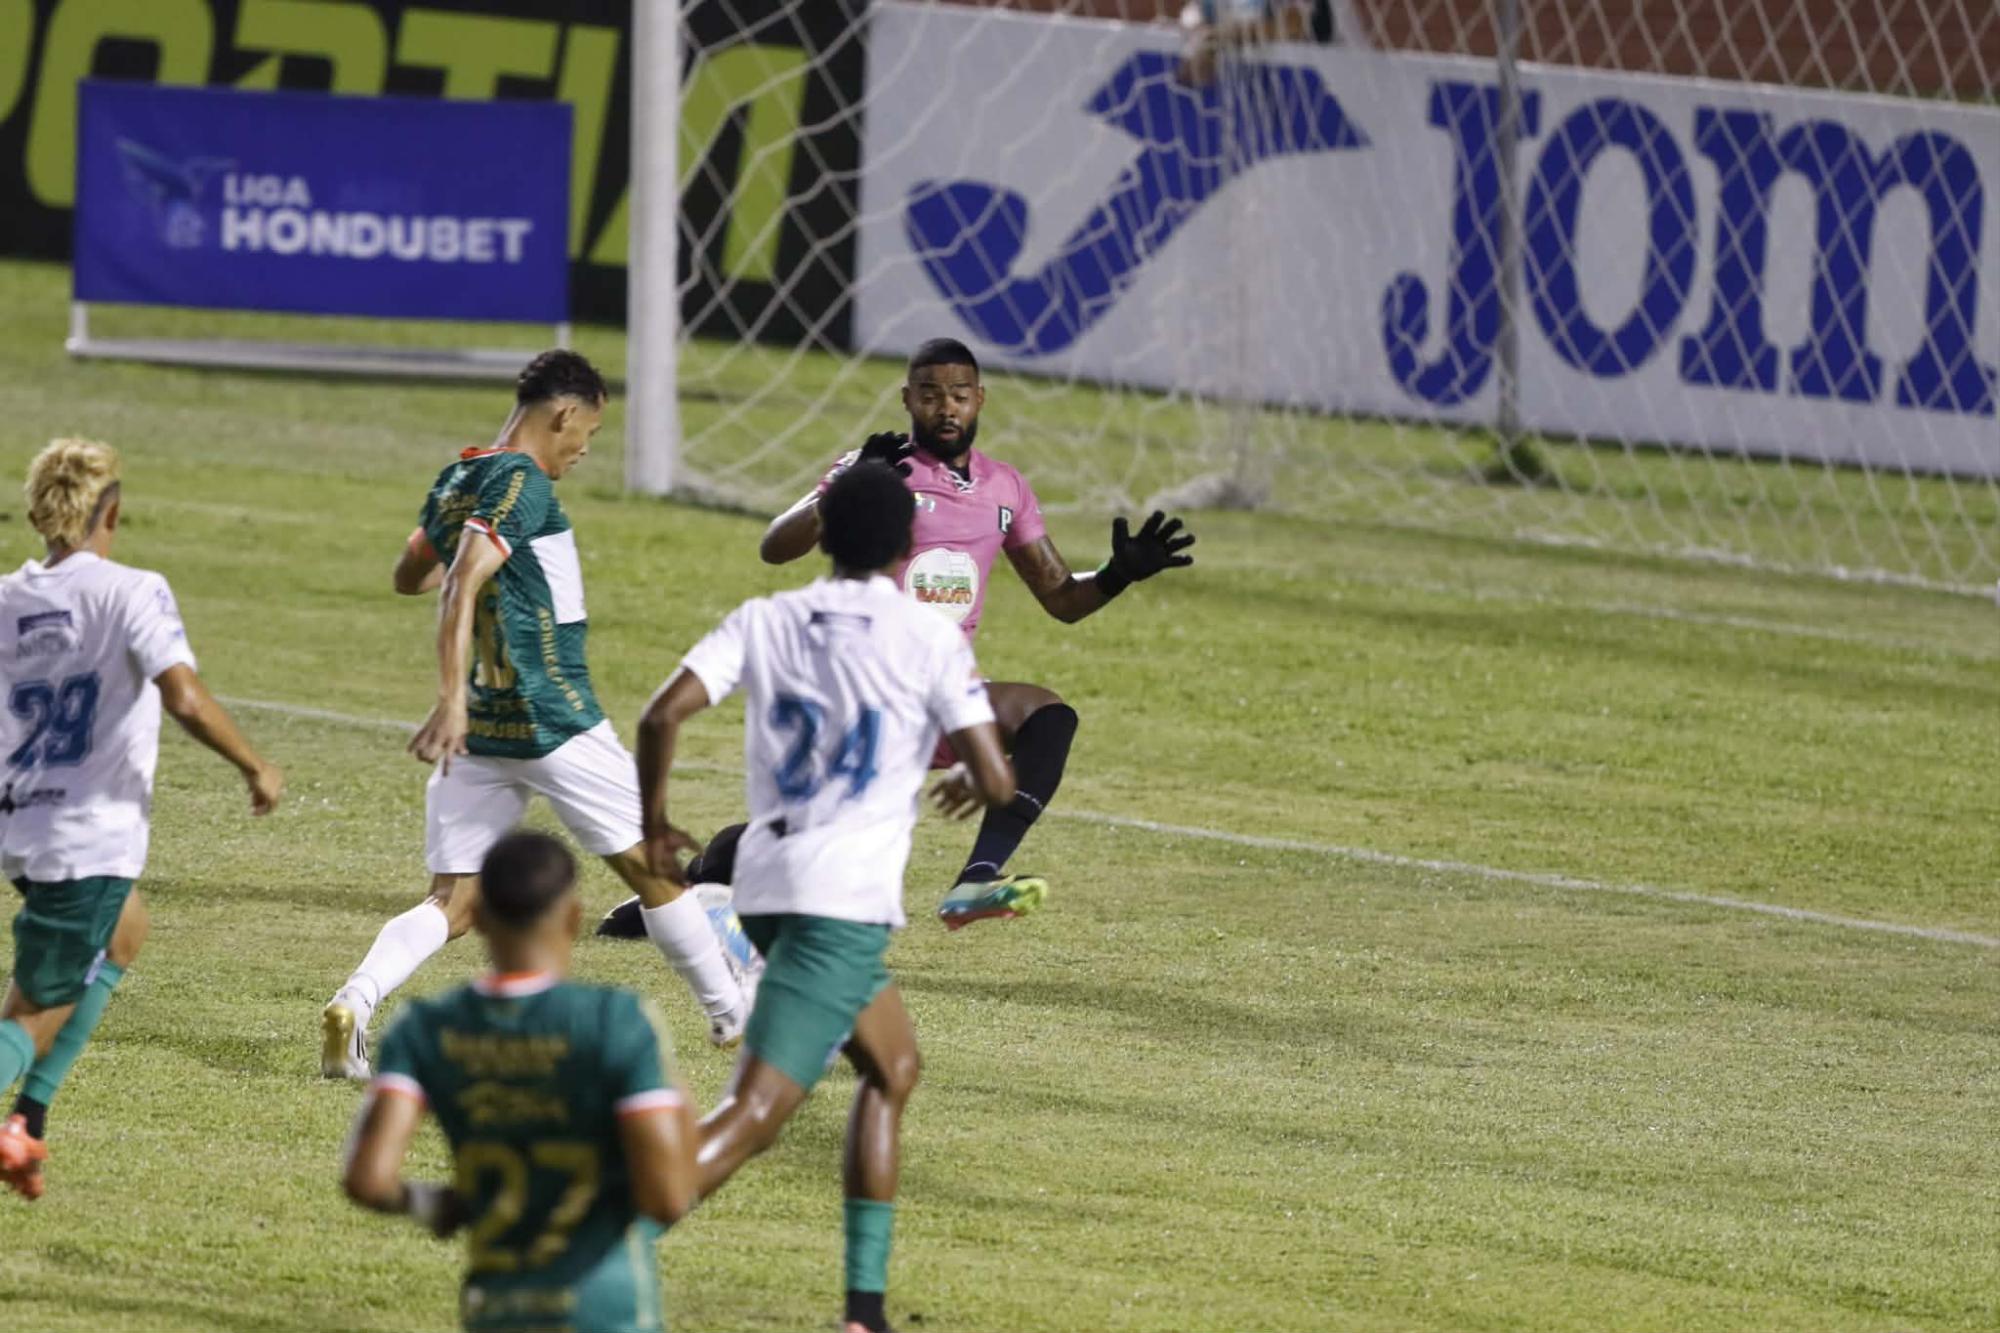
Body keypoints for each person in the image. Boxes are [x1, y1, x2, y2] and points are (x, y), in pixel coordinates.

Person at [598, 338, 1193, 940]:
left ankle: (978, 877)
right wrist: (848, 481)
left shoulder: (1005, 489)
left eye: (959, 395)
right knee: (797, 841)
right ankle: (698, 885)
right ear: (908, 398)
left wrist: (1119, 575)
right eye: (931, 395)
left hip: (937, 692)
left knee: (1048, 714)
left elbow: (1062, 597)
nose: (946, 409)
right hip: (861, 697)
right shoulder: (877, 472)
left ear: (980, 399)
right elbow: (776, 546)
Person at [635, 462, 1016, 1333]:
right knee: (756, 1113)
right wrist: (981, 776)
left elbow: (661, 714)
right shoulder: (927, 635)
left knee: (894, 1067)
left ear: (824, 535)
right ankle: (587, 1252)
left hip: (768, 881)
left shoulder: (767, 617)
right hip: (838, 901)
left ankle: (864, 1311)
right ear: (910, 546)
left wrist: (657, 828)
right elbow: (993, 771)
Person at [320, 350, 746, 1082]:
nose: (585, 450)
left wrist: (464, 682)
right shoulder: (520, 481)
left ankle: (354, 1002)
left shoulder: (464, 476)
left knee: (453, 900)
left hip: (485, 726)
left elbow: (409, 572)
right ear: (564, 414)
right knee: (656, 866)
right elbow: (457, 578)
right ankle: (732, 1010)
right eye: (591, 432)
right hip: (551, 716)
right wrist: (448, 694)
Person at [0, 438, 284, 1199]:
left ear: (37, 511)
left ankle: (29, 1116)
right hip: (89, 836)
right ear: (112, 511)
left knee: (125, 930)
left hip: (23, 829)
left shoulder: (7, 597)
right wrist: (254, 764)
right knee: (35, 1010)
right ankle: (15, 1119)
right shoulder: (132, 590)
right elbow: (183, 696)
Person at [342, 830, 699, 1333]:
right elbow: (667, 1197)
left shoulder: (424, 1027)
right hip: (607, 1309)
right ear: (573, 918)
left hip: (497, 1310)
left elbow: (368, 1179)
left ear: (480, 919)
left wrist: (433, 1203)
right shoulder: (617, 1021)